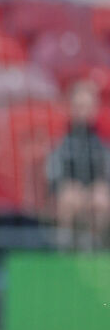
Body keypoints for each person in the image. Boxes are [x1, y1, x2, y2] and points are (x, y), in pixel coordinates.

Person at [46, 78, 110, 250]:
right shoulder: (60, 144)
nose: (83, 111)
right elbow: (52, 176)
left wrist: (99, 188)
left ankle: (94, 246)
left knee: (100, 199)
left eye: (87, 106)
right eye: (79, 106)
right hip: (67, 194)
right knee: (69, 198)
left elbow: (106, 175)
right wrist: (65, 187)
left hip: (93, 193)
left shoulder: (102, 145)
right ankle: (64, 248)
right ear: (70, 108)